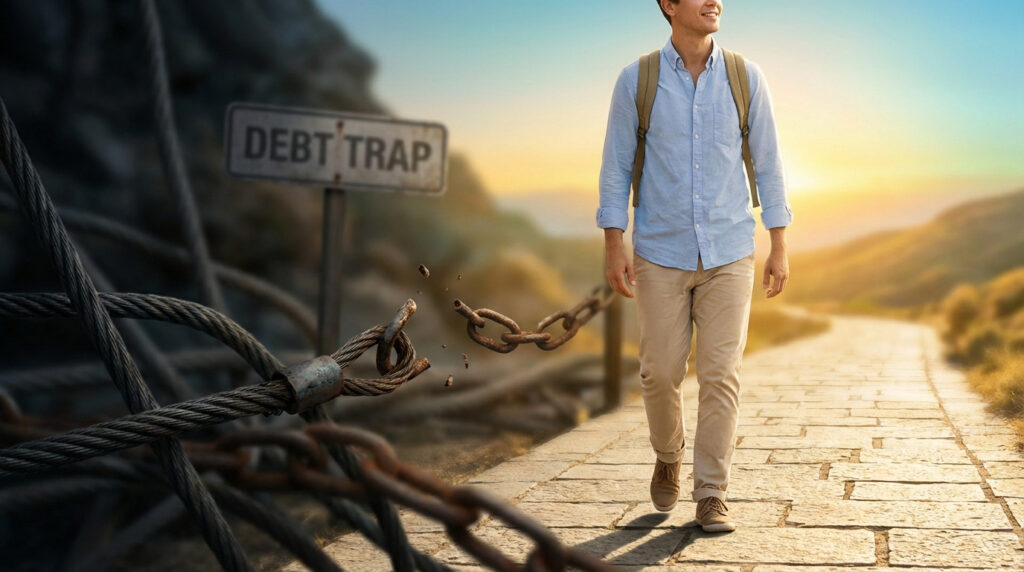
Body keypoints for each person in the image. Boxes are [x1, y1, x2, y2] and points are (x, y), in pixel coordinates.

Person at [596, 0, 793, 533]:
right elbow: (615, 166)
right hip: (660, 251)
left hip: (730, 250)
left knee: (720, 374)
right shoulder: (637, 80)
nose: (715, 2)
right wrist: (614, 243)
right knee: (659, 373)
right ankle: (668, 453)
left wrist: (779, 241)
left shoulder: (745, 77)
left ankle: (711, 492)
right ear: (667, 5)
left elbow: (769, 162)